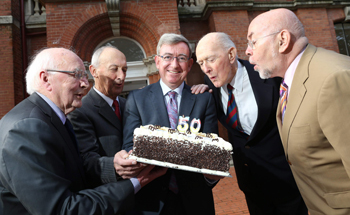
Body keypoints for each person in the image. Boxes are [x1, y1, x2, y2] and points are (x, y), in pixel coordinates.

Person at [0, 47, 167, 215]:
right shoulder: (27, 128)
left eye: (84, 76)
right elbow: (63, 209)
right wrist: (135, 182)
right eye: (76, 75)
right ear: (46, 79)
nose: (85, 83)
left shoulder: (53, 119)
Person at [245, 8, 350, 214]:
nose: (248, 51)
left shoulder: (333, 79)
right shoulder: (290, 81)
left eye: (253, 42)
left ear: (283, 40)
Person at [193, 32, 307, 214]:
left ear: (231, 55)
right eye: (200, 63)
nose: (205, 69)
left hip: (286, 182)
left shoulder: (268, 75)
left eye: (210, 59)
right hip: (250, 183)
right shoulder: (210, 83)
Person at [122, 33, 218, 215]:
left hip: (195, 201)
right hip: (151, 201)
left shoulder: (203, 99)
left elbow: (210, 152)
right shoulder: (136, 99)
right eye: (167, 57)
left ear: (189, 65)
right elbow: (130, 146)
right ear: (157, 61)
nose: (174, 65)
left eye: (181, 58)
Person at [68, 46, 144, 187]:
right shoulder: (80, 111)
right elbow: (86, 161)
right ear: (94, 71)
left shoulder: (127, 104)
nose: (121, 76)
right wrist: (115, 166)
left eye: (124, 70)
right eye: (114, 69)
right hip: (111, 196)